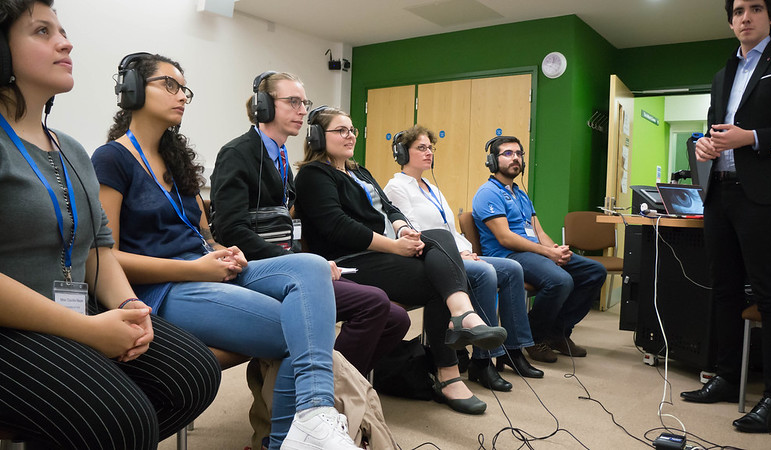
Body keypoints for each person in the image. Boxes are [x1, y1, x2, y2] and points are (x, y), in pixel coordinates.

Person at [90, 53, 359, 449]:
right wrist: (199, 269)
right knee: (296, 329)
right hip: (163, 287)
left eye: (185, 89)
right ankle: (289, 439)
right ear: (130, 89)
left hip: (205, 269)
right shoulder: (111, 159)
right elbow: (105, 257)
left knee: (311, 266)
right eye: (170, 85)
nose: (182, 96)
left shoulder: (174, 159)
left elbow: (202, 235)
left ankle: (314, 414)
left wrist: (223, 250)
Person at [0, 2, 221, 449]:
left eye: (61, 30)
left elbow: (100, 247)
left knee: (194, 374)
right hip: (12, 326)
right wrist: (87, 331)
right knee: (124, 421)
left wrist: (128, 305)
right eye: (42, 32)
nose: (66, 42)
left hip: (73, 311)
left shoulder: (72, 150)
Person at [294, 106, 507, 415]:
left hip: (380, 252)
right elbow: (339, 226)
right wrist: (395, 247)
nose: (350, 135)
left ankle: (461, 319)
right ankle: (450, 368)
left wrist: (404, 229)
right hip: (347, 262)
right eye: (341, 130)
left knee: (438, 239)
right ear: (315, 137)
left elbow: (390, 206)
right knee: (439, 278)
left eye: (352, 129)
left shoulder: (358, 170)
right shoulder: (313, 175)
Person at [210, 71, 409, 377]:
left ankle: (335, 388)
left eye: (304, 102)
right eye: (293, 101)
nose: (302, 110)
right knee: (374, 303)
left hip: (284, 264)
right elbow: (231, 231)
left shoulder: (279, 158)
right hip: (254, 268)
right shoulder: (238, 154)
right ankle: (321, 391)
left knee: (397, 319)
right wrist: (301, 262)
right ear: (263, 106)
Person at [680, 0, 771, 433]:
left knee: (769, 294)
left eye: (755, 8)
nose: (744, 17)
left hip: (763, 195)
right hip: (719, 193)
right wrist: (703, 147)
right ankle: (728, 377)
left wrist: (751, 137)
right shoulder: (721, 74)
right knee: (724, 289)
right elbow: (714, 128)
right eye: (737, 11)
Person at [383, 125, 543, 392]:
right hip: (429, 258)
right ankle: (483, 362)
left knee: (512, 269)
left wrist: (466, 250)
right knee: (486, 273)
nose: (428, 153)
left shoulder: (431, 187)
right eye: (421, 148)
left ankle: (513, 351)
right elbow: (416, 229)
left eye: (430, 148)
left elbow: (449, 229)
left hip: (454, 252)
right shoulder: (396, 187)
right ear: (402, 153)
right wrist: (458, 254)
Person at [472, 136, 606, 363]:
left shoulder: (521, 194)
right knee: (561, 280)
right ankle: (533, 336)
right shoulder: (488, 193)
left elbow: (538, 232)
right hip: (507, 256)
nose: (515, 158)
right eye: (507, 153)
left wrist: (556, 250)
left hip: (532, 252)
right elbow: (505, 238)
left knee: (594, 271)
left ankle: (557, 332)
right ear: (493, 161)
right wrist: (547, 253)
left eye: (518, 153)